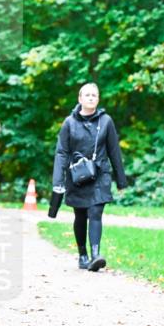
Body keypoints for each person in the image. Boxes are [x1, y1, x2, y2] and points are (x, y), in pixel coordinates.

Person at [52, 82, 127, 272]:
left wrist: (121, 180)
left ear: (98, 99)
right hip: (77, 176)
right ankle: (83, 254)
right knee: (80, 215)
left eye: (94, 95)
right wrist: (58, 180)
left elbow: (114, 151)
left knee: (95, 212)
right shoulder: (69, 123)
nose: (91, 98)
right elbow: (62, 152)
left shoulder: (106, 121)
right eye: (87, 95)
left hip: (100, 174)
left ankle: (96, 255)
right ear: (80, 99)